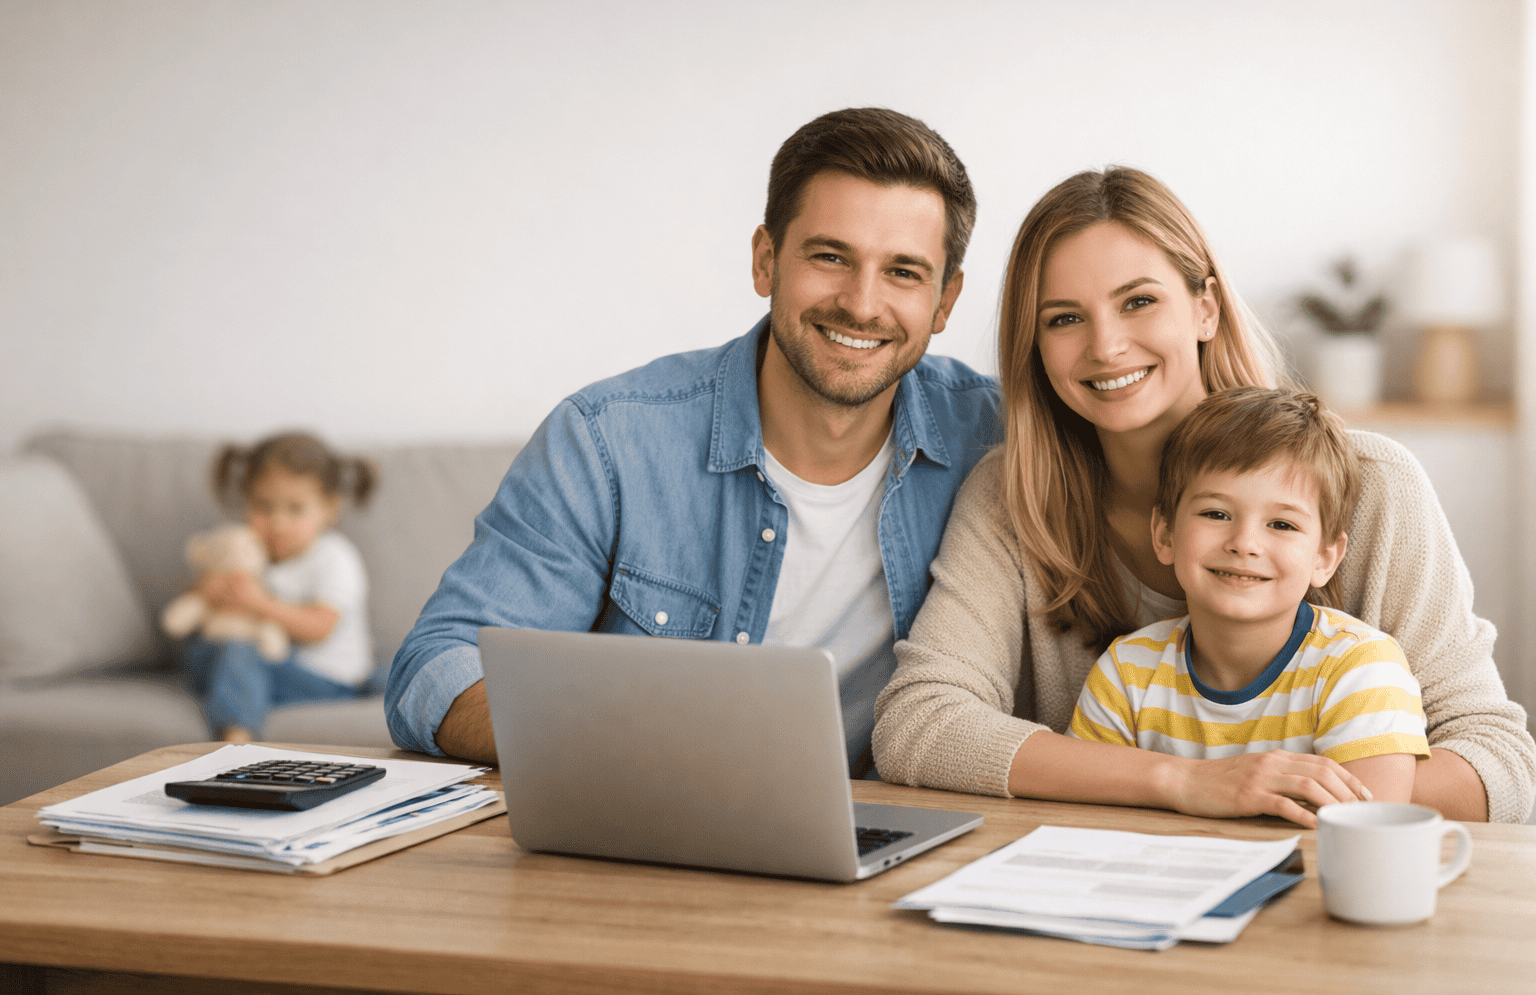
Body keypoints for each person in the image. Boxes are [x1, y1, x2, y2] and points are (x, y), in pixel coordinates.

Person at [873, 166, 1534, 825]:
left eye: (1138, 302)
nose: (1106, 346)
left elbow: (1502, 768)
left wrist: (1284, 785)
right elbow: (919, 723)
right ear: (1036, 346)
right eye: (1065, 318)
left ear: (1205, 308)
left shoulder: (1374, 485)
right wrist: (1188, 781)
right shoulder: (1008, 498)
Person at [385, 108, 1001, 774]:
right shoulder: (608, 440)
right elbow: (439, 669)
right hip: (654, 822)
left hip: (896, 835)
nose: (860, 303)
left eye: (903, 273)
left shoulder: (999, 441)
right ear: (766, 261)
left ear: (945, 302)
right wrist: (646, 748)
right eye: (830, 257)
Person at [1068, 387, 1429, 804]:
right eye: (1216, 514)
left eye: (1282, 524)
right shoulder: (1124, 675)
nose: (1245, 543)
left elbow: (1366, 841)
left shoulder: (1362, 671)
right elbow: (1088, 827)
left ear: (1325, 557)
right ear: (1164, 534)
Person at [182, 431, 377, 742]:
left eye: (295, 509)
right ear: (246, 501)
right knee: (204, 646)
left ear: (328, 509)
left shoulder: (334, 557)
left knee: (237, 653)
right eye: (263, 507)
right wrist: (210, 591)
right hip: (266, 665)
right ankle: (234, 685)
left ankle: (236, 740)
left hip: (327, 680)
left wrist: (258, 605)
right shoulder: (247, 551)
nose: (277, 523)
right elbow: (200, 608)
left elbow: (319, 628)